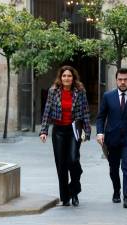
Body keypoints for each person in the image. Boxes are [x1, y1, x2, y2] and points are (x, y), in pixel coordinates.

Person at [39, 65, 91, 207]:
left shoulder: (80, 91)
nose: (66, 78)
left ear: (73, 78)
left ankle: (74, 190)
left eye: (69, 76)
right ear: (60, 78)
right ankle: (66, 197)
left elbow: (85, 111)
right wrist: (44, 130)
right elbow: (47, 111)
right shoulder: (53, 91)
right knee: (61, 164)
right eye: (64, 76)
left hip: (74, 130)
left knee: (73, 160)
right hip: (59, 131)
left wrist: (87, 131)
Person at [96, 68, 127, 209]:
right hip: (112, 138)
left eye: (125, 79)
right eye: (120, 79)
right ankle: (116, 190)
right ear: (116, 80)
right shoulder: (108, 96)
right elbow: (101, 117)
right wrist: (100, 132)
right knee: (113, 169)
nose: (122, 82)